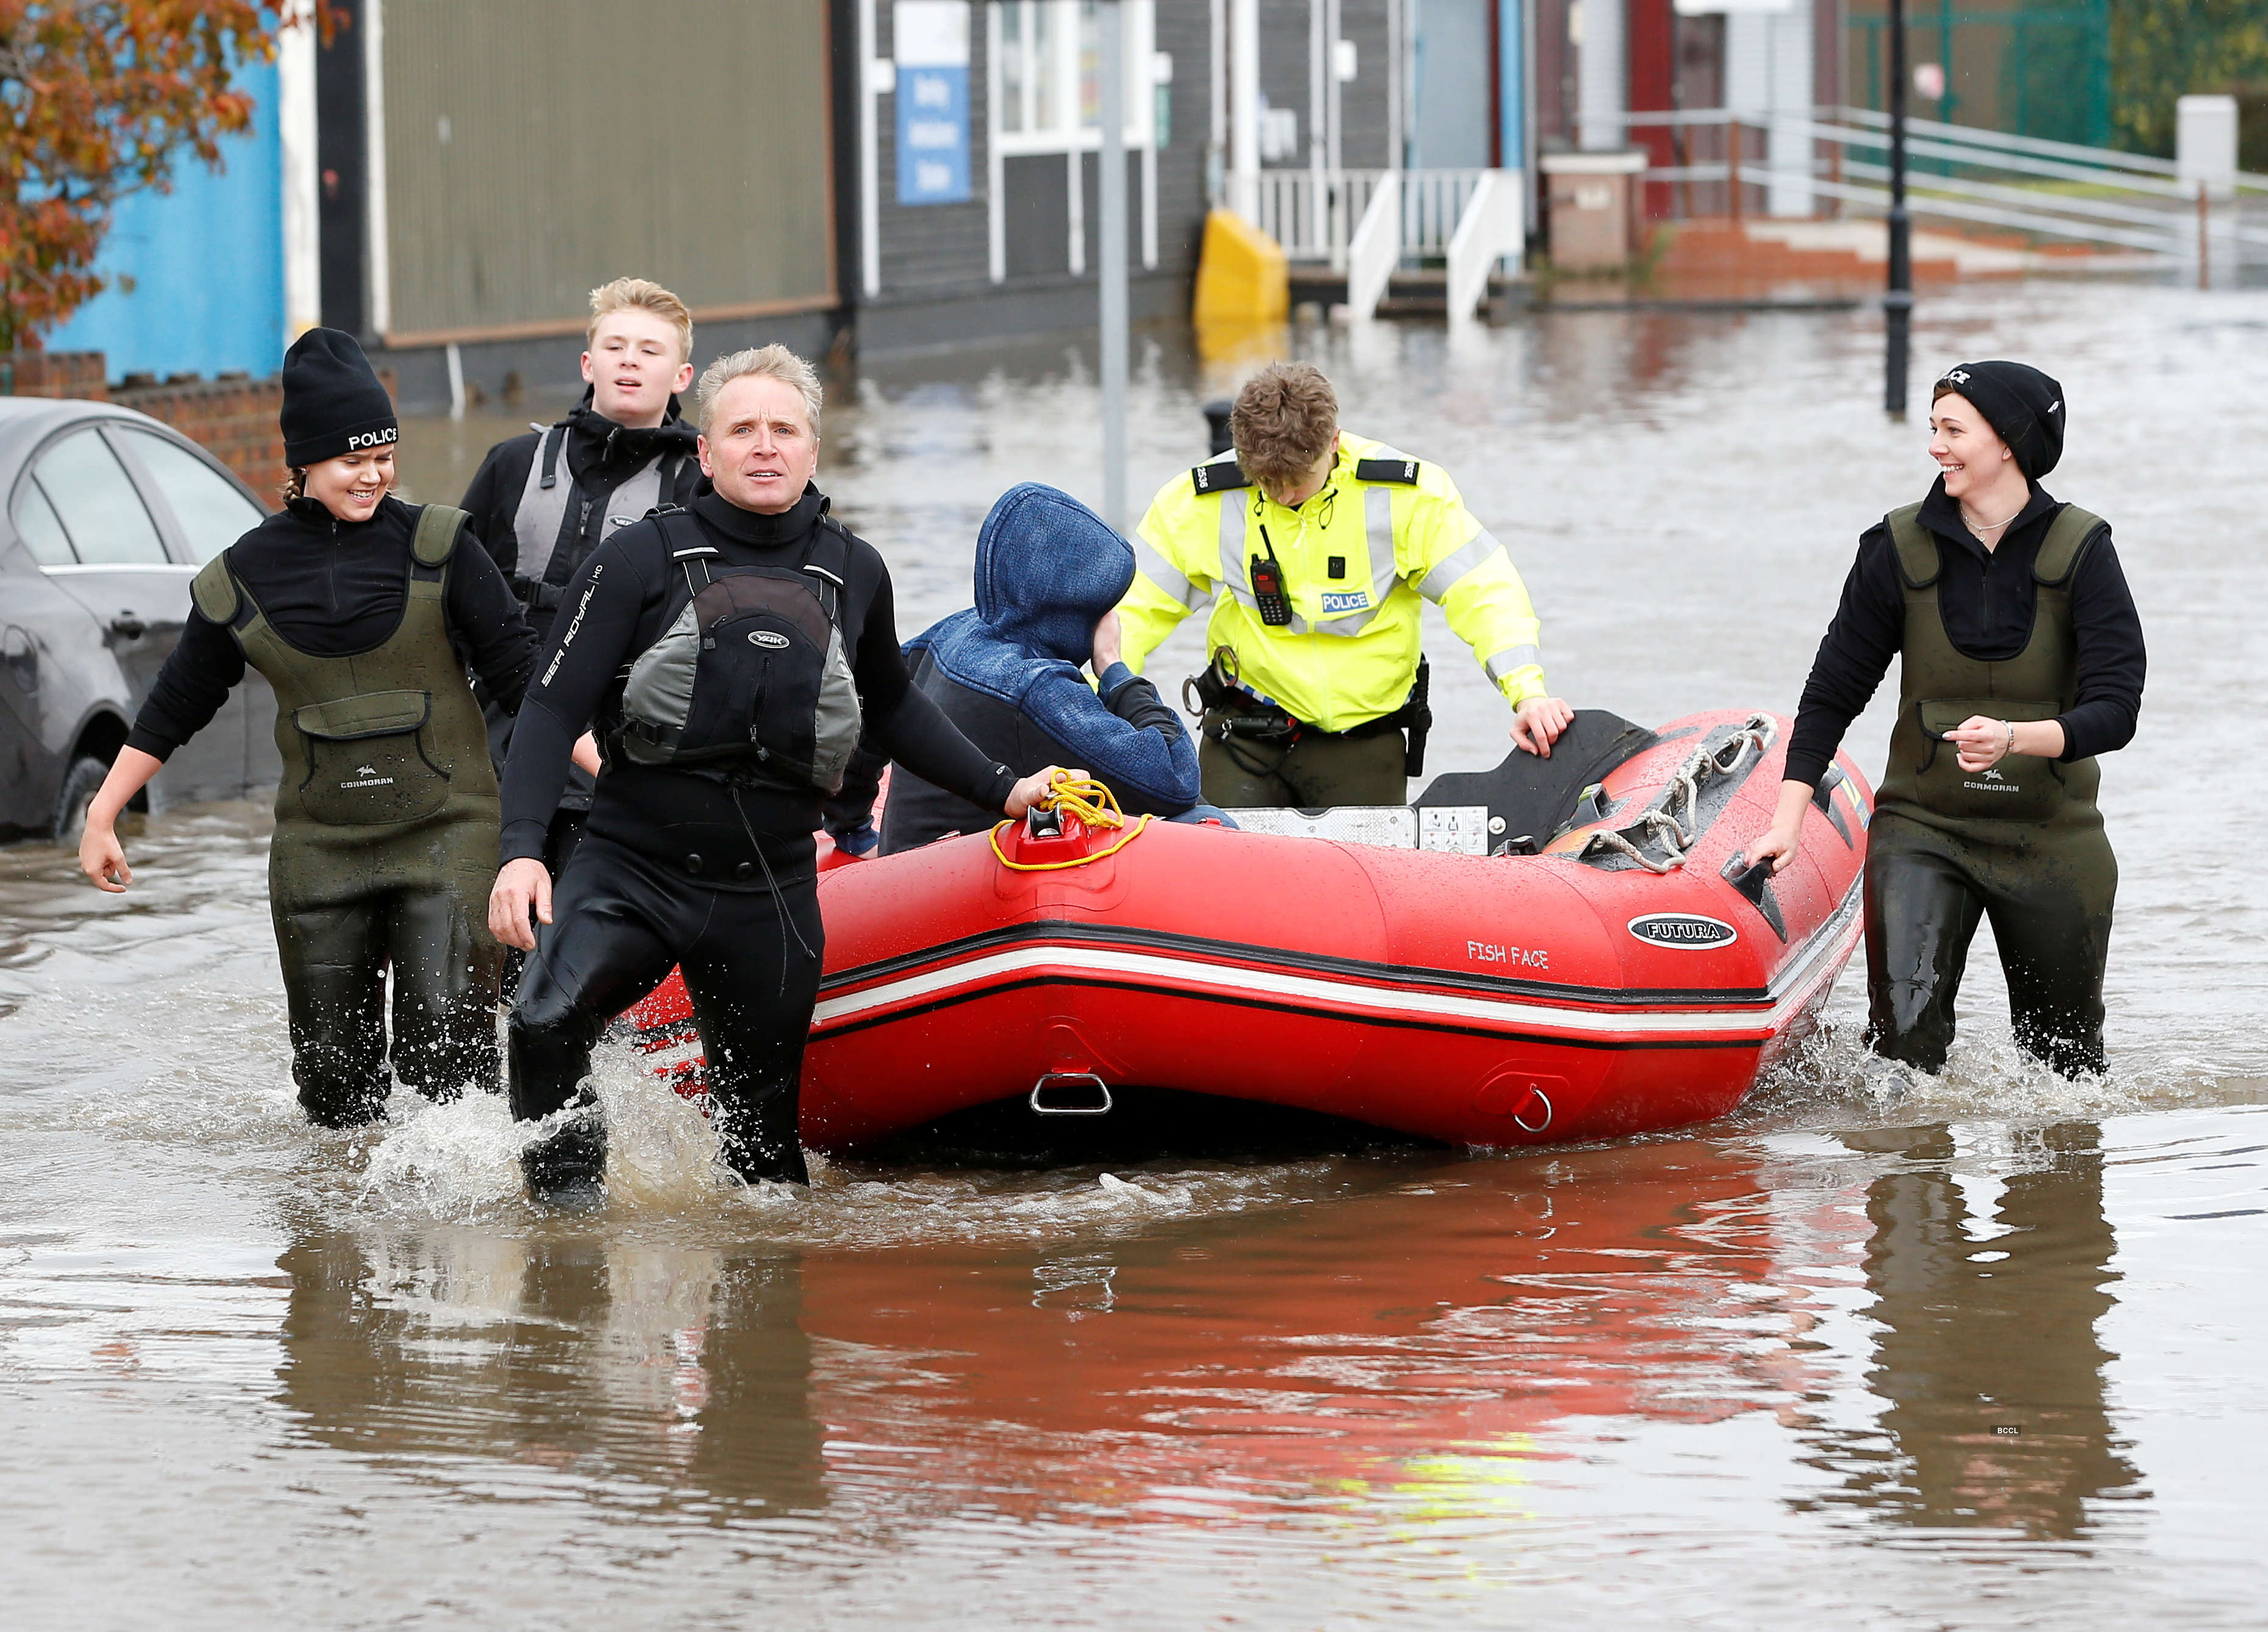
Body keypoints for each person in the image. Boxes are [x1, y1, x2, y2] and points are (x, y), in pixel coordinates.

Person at [488, 345, 1066, 1207]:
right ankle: (568, 1232)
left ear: (813, 448)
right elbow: (547, 710)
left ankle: (755, 1326)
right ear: (705, 451)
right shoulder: (634, 562)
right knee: (541, 1022)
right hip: (631, 868)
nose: (766, 445)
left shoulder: (855, 570)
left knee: (763, 1163)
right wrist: (524, 851)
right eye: (744, 428)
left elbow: (895, 708)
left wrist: (1004, 788)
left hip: (769, 891)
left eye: (784, 428)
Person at [77, 329, 538, 1127]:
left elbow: (528, 683)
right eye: (351, 460)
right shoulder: (243, 576)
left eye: (384, 454)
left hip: (449, 832)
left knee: (447, 1063)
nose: (373, 474)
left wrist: (614, 771)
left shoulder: (443, 548)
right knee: (333, 1089)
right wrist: (101, 811)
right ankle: (339, 1241)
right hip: (320, 852)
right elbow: (178, 701)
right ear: (303, 463)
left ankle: (465, 1237)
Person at [1746, 361, 2145, 1080]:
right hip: (1924, 834)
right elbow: (1833, 692)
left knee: (2067, 1082)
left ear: (2010, 442)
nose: (1936, 446)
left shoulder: (2085, 550)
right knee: (1901, 1060)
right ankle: (1907, 1178)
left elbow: (2117, 710)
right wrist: (1788, 818)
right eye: (1934, 428)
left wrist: (2016, 739)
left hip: (2055, 840)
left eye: (1953, 429)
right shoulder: (1894, 549)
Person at [1116, 362, 1572, 809]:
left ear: (1333, 443)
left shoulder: (1405, 498)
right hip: (1243, 737)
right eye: (1266, 481)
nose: (1282, 495)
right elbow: (1128, 612)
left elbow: (1487, 592)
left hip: (1364, 746)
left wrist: (1527, 693)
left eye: (1297, 480)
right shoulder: (1200, 502)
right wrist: (1097, 710)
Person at [461, 278, 704, 879]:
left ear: (682, 376)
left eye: (650, 350)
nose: (630, 360)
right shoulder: (513, 465)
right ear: (588, 363)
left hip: (616, 766)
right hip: (500, 755)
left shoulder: (702, 486)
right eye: (617, 346)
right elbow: (450, 602)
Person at [843, 482, 1221, 855]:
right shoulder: (1037, 685)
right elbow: (1177, 779)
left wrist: (853, 826)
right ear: (1077, 607)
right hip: (951, 887)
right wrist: (1114, 670)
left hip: (902, 864)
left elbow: (871, 710)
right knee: (1203, 820)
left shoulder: (954, 631)